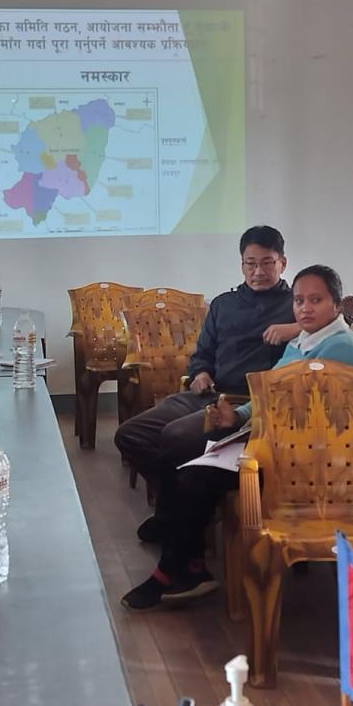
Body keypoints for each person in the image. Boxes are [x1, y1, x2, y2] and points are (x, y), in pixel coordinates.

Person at [122, 264, 353, 611]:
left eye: (316, 300)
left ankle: (174, 570)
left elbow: (305, 415)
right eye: (299, 301)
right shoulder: (305, 340)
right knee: (190, 467)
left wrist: (248, 432)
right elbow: (272, 393)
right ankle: (185, 567)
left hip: (309, 465)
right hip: (280, 444)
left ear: (337, 304)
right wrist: (237, 417)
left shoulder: (339, 348)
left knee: (193, 472)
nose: (304, 309)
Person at [114, 226, 296, 541]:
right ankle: (181, 510)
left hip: (249, 406)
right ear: (241, 264)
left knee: (175, 437)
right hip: (209, 393)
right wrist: (200, 372)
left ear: (283, 263)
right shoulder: (224, 304)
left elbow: (337, 324)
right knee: (130, 435)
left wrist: (294, 328)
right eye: (250, 263)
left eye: (267, 263)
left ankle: (177, 520)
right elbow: (202, 353)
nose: (258, 271)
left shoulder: (297, 304)